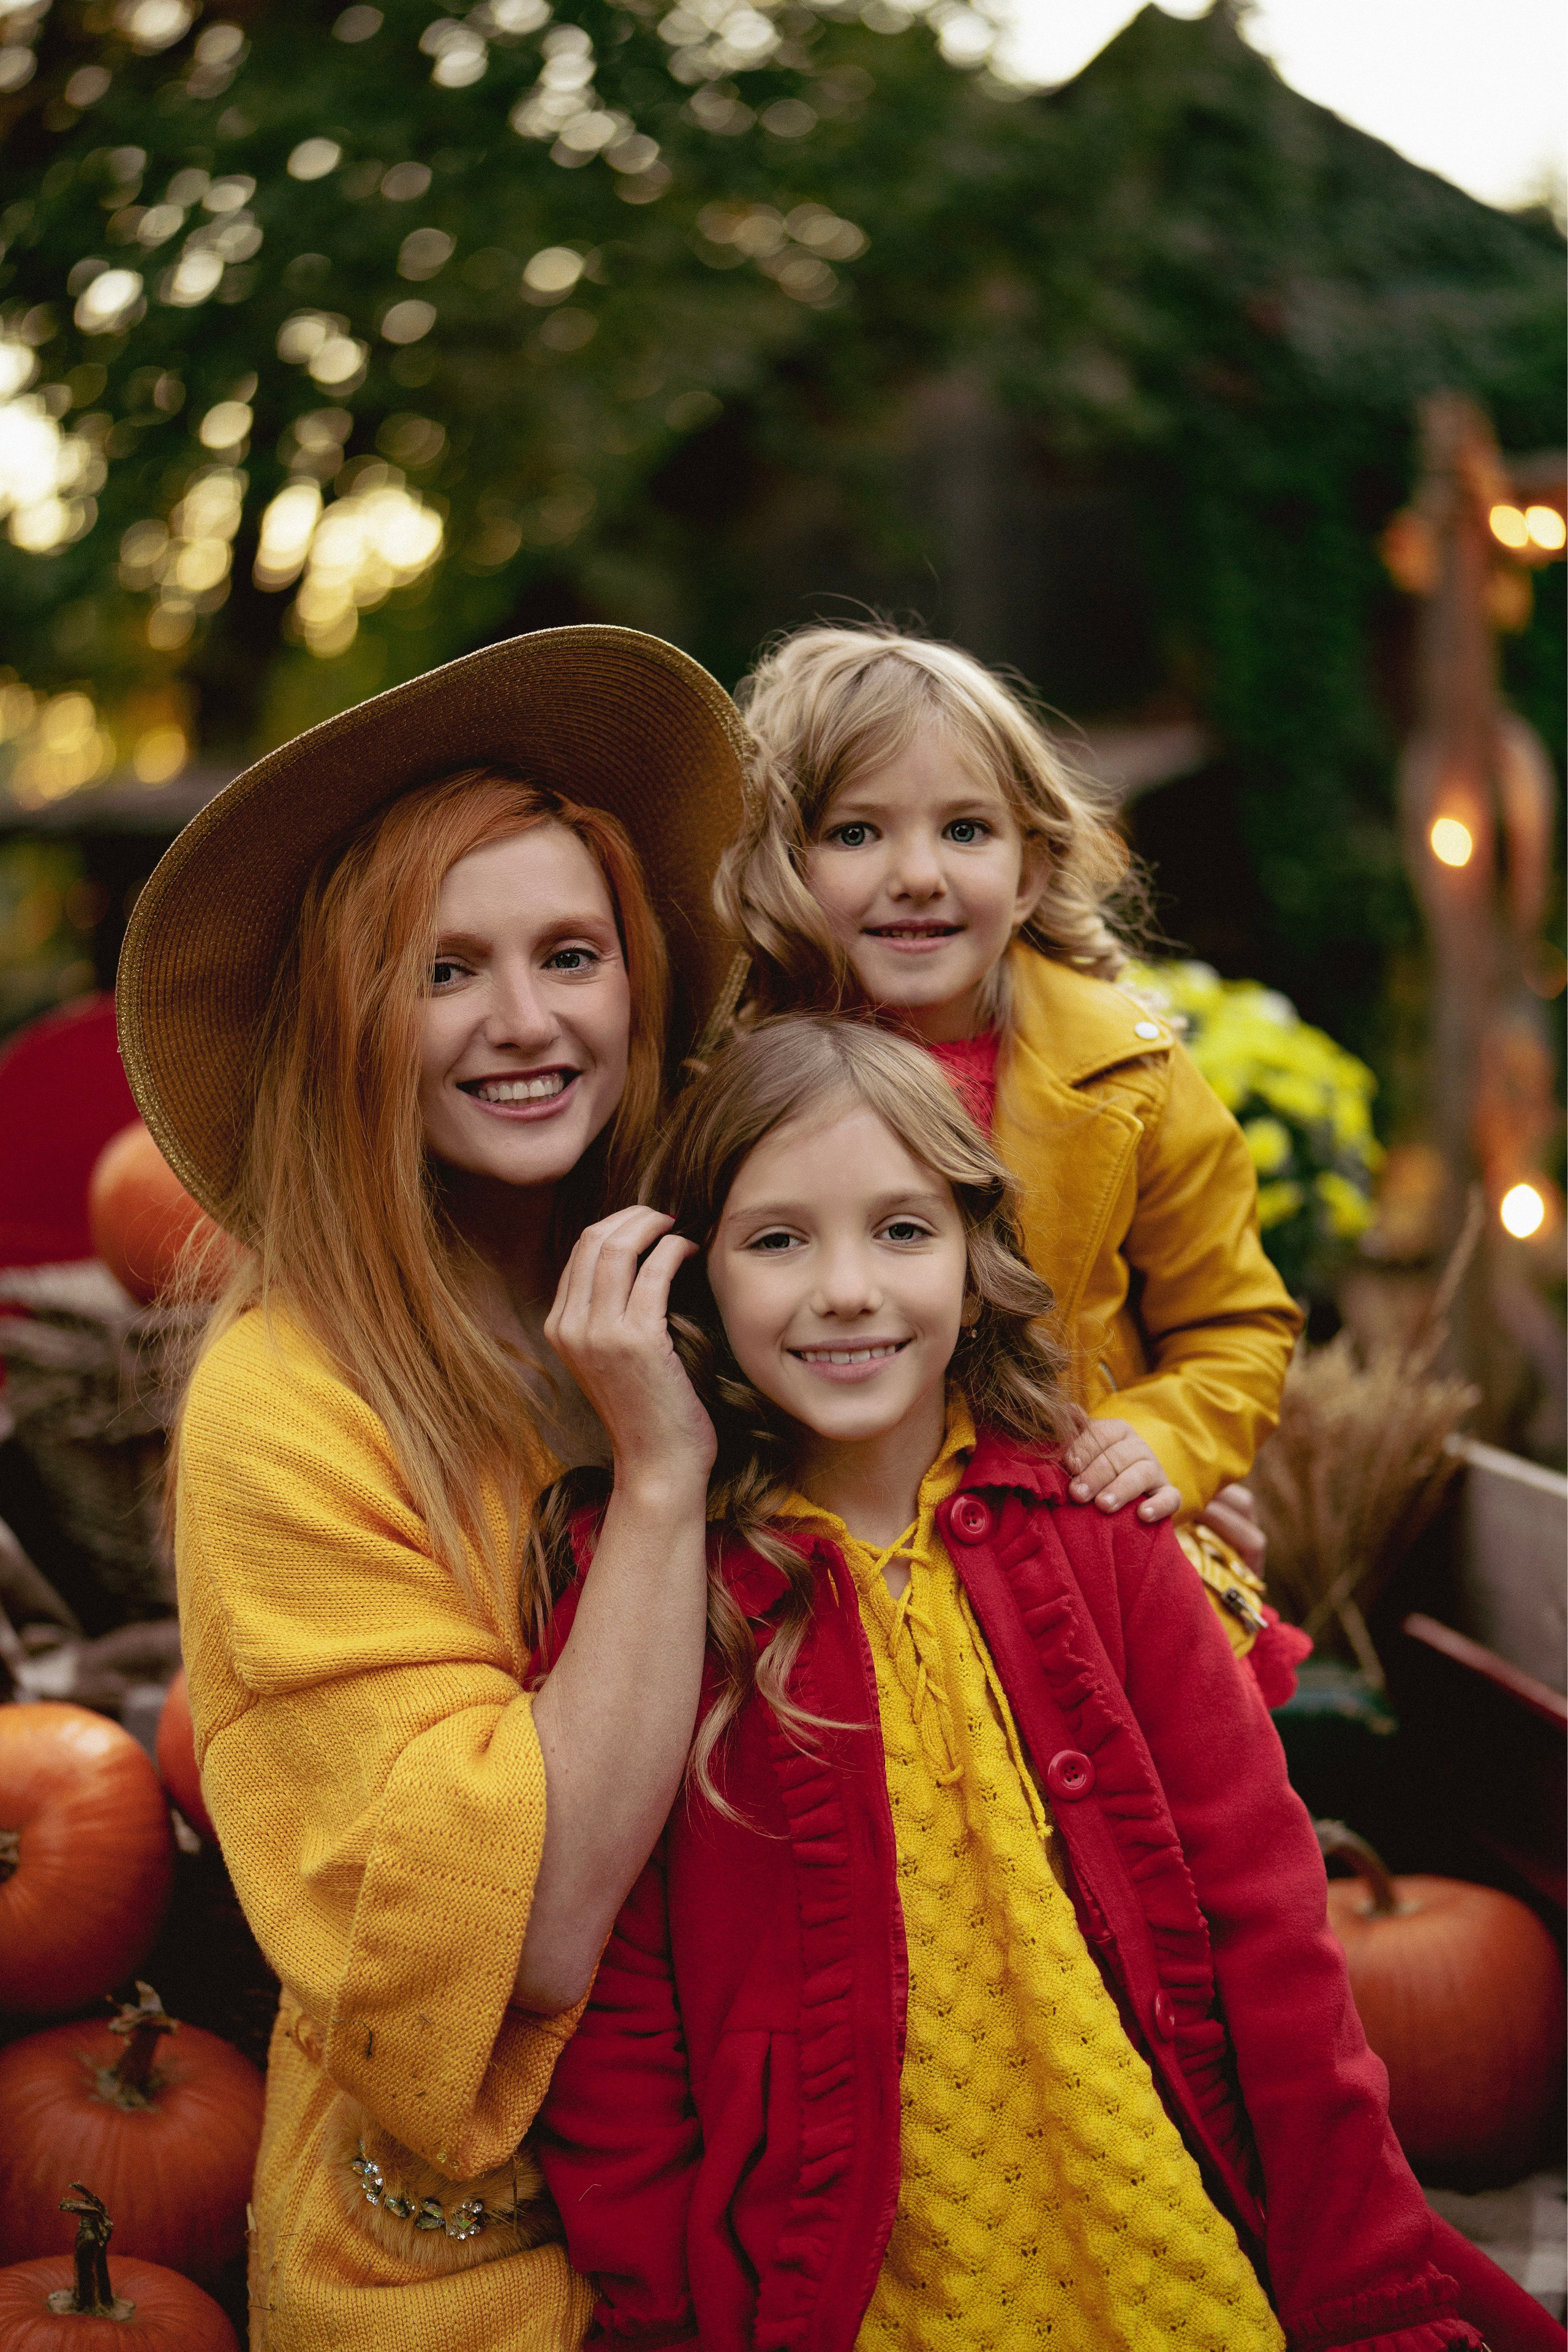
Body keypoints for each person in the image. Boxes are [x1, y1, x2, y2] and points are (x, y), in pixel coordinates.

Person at [532, 1014, 1560, 2352]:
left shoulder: (1104, 1541)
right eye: (777, 1241)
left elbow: (1272, 1930)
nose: (845, 1289)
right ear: (698, 1283)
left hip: (1145, 2209)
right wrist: (662, 2311)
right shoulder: (653, 1584)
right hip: (835, 2271)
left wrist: (1363, 2282)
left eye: (902, 1231)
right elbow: (616, 2014)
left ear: (976, 1269)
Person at [118, 627, 745, 2351]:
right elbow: (525, 1930)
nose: (525, 1022)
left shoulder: (733, 1290)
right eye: (445, 970)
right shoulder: (284, 1407)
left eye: (570, 955)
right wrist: (664, 1473)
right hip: (475, 2259)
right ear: (349, 1020)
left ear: (639, 985)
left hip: (777, 2158)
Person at [715, 624, 1305, 1685]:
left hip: (1075, 1557)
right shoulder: (730, 1078)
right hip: (835, 1560)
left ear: (1030, 869)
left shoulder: (1129, 1071)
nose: (917, 875)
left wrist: (1167, 1439)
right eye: (855, 833)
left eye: (966, 830)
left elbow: (1236, 1322)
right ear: (783, 862)